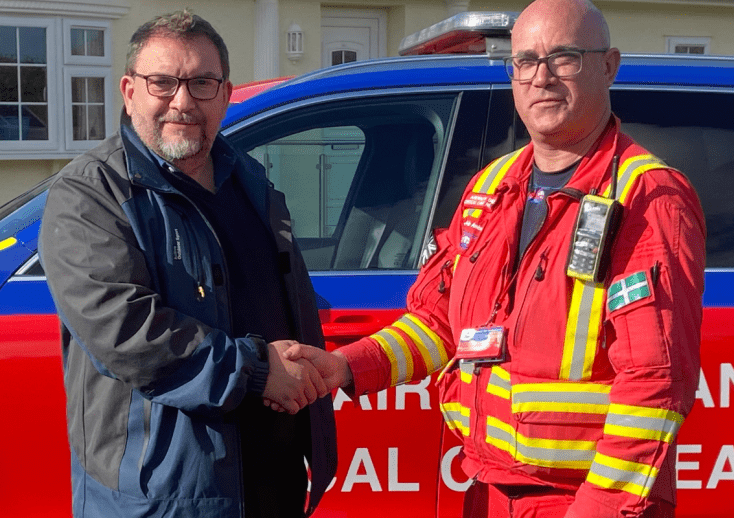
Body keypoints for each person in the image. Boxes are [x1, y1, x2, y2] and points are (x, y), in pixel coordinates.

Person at [283, 1, 706, 516]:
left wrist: (598, 510)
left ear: (609, 65)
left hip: (581, 501)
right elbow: (441, 324)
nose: (541, 78)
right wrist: (342, 367)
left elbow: (655, 384)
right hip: (490, 490)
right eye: (525, 61)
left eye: (564, 57)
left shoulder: (646, 198)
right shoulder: (492, 187)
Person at [39, 10, 336, 518]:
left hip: (270, 481)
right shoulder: (91, 194)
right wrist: (260, 371)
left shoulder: (250, 181)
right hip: (165, 497)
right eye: (163, 82)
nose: (183, 101)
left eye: (201, 82)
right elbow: (126, 330)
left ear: (224, 93)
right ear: (130, 91)